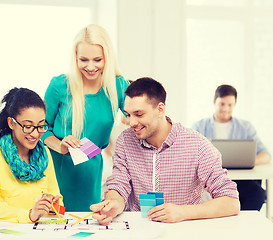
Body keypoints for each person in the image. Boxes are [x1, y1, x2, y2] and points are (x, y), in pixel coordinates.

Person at [90, 77, 240, 225]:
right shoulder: (125, 140)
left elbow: (231, 202)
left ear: (160, 109)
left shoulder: (197, 145)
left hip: (183, 229)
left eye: (139, 114)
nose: (132, 123)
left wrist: (182, 212)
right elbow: (119, 184)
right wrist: (114, 203)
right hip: (139, 229)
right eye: (128, 115)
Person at [42, 24, 128, 211]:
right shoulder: (59, 86)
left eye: (97, 59)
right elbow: (40, 128)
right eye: (84, 59)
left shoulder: (118, 86)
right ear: (75, 58)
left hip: (90, 170)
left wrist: (130, 120)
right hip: (57, 168)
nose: (90, 67)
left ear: (108, 57)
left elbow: (137, 116)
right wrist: (60, 146)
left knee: (87, 225)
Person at [0, 87, 62, 223]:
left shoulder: (44, 154)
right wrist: (29, 215)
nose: (35, 134)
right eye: (28, 126)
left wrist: (53, 205)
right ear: (11, 123)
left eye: (40, 126)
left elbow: (60, 205)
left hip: (40, 232)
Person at [192, 84, 271, 211]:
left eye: (230, 105)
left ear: (234, 105)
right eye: (222, 104)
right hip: (211, 180)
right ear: (214, 102)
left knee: (258, 194)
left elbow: (266, 155)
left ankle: (241, 223)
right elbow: (191, 154)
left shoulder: (245, 127)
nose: (225, 109)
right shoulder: (199, 126)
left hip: (241, 179)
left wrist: (247, 162)